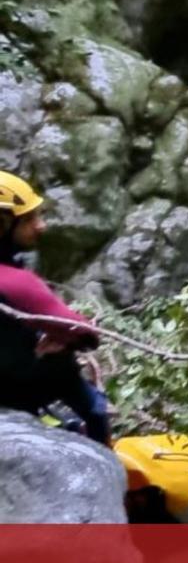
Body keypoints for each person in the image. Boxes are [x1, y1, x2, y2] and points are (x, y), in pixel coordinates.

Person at [0, 171, 110, 444]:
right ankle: (104, 454)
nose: (41, 226)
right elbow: (85, 334)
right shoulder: (15, 282)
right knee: (95, 407)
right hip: (18, 386)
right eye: (28, 219)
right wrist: (64, 340)